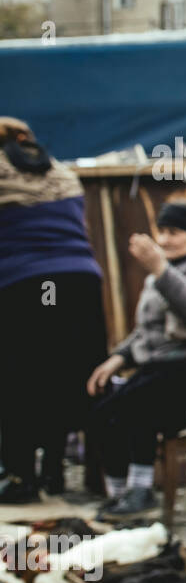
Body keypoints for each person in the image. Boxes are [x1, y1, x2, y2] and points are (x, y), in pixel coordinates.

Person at [86, 201, 186, 521]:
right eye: (162, 231)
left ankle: (140, 493)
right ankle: (120, 496)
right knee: (103, 412)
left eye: (175, 232)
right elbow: (149, 330)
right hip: (168, 367)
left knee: (137, 407)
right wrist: (118, 358)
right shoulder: (168, 268)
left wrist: (160, 269)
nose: (166, 239)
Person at [0, 117, 107, 503]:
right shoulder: (62, 173)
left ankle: (22, 477)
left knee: (20, 383)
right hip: (79, 283)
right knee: (83, 377)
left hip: (25, 286)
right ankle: (97, 474)